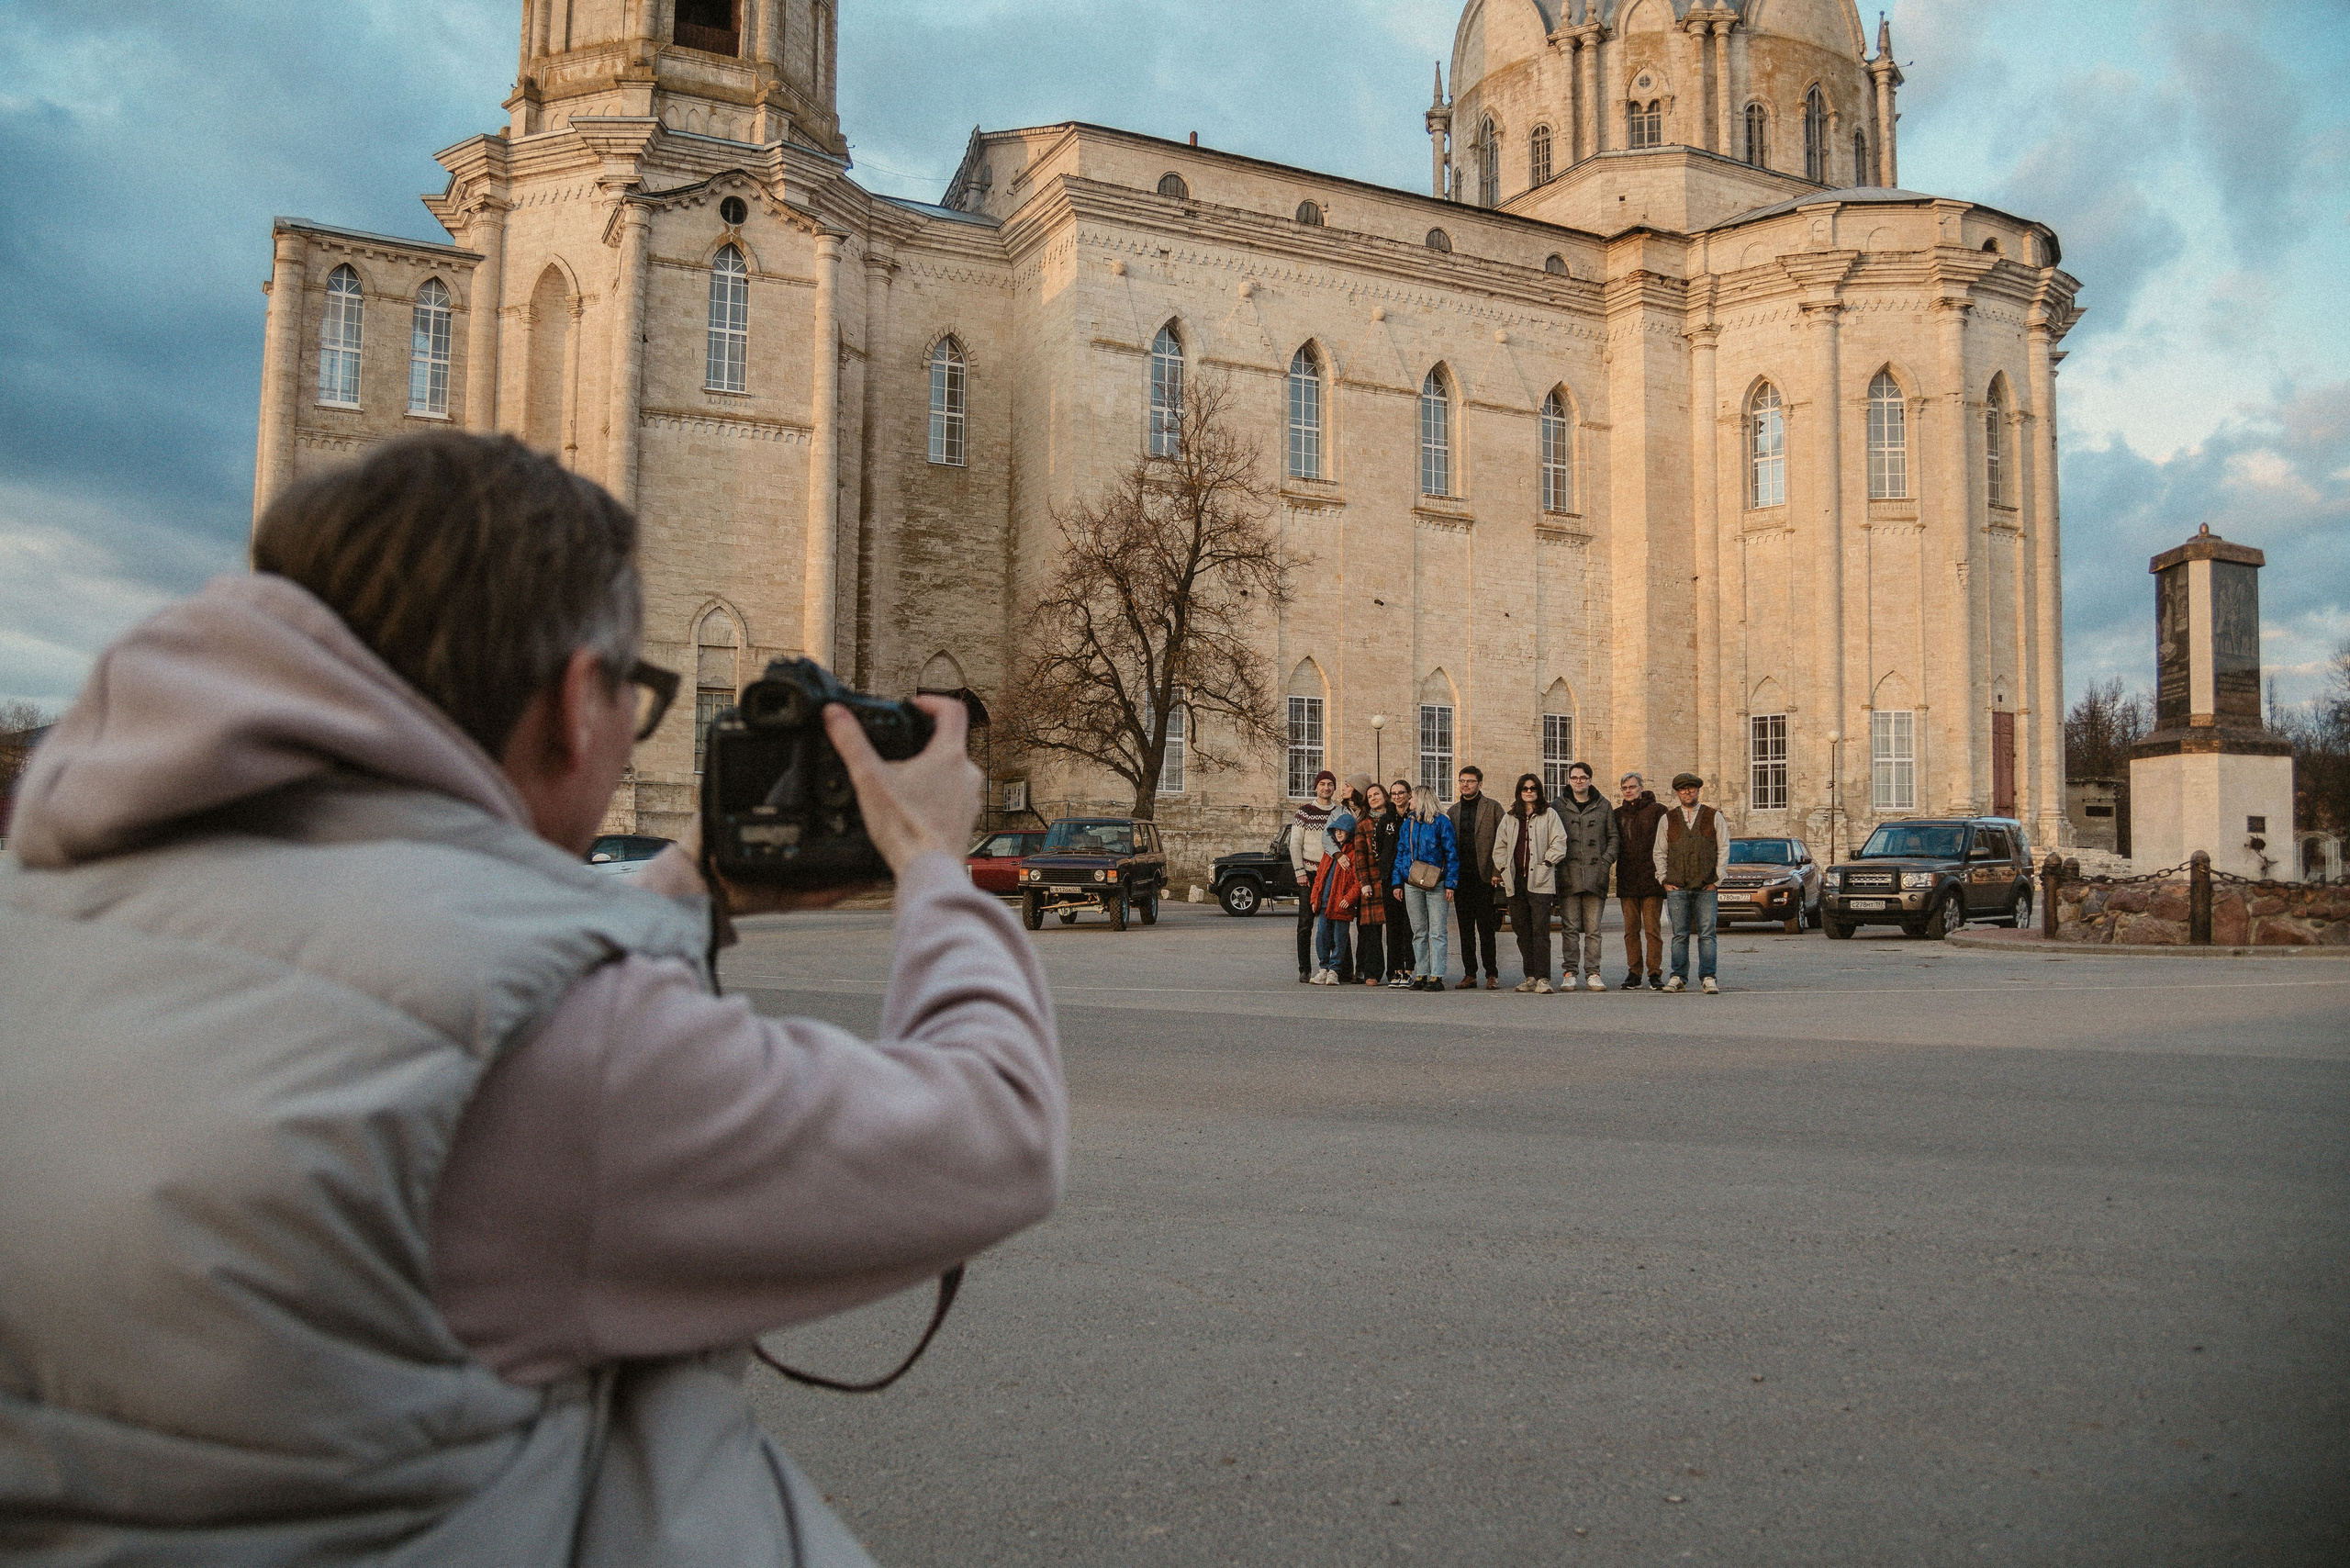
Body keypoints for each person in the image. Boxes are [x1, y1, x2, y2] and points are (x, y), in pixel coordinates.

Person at [0, 432, 1065, 1564]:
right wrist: (930, 864)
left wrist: (691, 882)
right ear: (572, 704)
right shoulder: (556, 1052)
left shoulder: (42, 917)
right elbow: (996, 1129)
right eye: (634, 696)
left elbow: (392, 950)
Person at [1491, 773, 1566, 993]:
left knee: (1540, 931)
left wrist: (1547, 862)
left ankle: (1543, 978)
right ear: (1519, 792)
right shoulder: (1510, 817)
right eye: (1525, 788)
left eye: (1533, 788)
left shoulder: (1549, 814)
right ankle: (1530, 976)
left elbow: (1559, 841)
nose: (1529, 791)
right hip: (1515, 881)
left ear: (1539, 791)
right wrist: (1503, 868)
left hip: (1540, 880)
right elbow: (1500, 846)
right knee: (1522, 930)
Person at [1653, 770, 1723, 994]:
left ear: (1698, 790)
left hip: (1706, 886)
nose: (1687, 792)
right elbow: (1659, 851)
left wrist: (1718, 880)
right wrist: (1663, 879)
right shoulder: (1668, 819)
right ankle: (1678, 977)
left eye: (1691, 788)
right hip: (1677, 887)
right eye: (1682, 789)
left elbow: (1724, 848)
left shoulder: (1714, 816)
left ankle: (1708, 977)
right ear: (1677, 793)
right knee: (1679, 935)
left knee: (1707, 934)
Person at [1554, 761, 1620, 991]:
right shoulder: (1558, 806)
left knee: (1593, 930)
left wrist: (1605, 861)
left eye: (1583, 777)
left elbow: (1613, 837)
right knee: (1570, 928)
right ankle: (1570, 972)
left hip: (1595, 875)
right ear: (1569, 780)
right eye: (1574, 778)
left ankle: (1593, 973)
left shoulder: (1603, 805)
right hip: (1568, 874)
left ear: (1590, 780)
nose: (1578, 781)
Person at [1392, 787, 1459, 991]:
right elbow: (1401, 852)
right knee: (1418, 931)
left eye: (1412, 797)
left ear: (1422, 799)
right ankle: (1421, 973)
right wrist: (1397, 881)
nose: (1409, 800)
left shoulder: (1442, 822)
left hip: (1437, 882)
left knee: (1437, 931)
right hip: (1412, 881)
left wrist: (1451, 883)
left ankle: (1437, 975)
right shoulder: (1409, 823)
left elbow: (1451, 853)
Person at [1448, 766, 1505, 990]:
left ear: (1480, 784)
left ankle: (1492, 973)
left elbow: (1503, 841)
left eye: (1470, 781)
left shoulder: (1493, 808)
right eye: (1462, 781)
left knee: (1486, 929)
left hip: (1485, 877)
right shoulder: (1453, 811)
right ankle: (1470, 973)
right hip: (1461, 878)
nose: (1465, 785)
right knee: (1465, 930)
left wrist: (1497, 871)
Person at [1616, 771, 1668, 991]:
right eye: (1625, 788)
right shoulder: (1617, 814)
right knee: (1630, 930)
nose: (1628, 791)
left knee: (1652, 930)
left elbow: (1666, 842)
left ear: (1641, 788)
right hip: (1627, 878)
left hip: (1651, 878)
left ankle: (1654, 972)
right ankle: (1634, 972)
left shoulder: (1658, 811)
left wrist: (1664, 874)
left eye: (1632, 787)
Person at [1290, 768, 1337, 983]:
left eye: (1330, 784)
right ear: (1316, 787)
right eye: (1322, 784)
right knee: (1305, 923)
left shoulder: (1339, 812)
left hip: (1332, 872)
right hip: (1309, 873)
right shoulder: (1305, 812)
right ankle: (1304, 968)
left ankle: (1336, 967)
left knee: (1334, 921)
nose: (1326, 788)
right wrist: (1300, 871)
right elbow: (1295, 844)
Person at [1307, 812, 1361, 984]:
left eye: (1342, 830)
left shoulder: (1354, 853)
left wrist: (1349, 898)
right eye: (1336, 830)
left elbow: (1359, 880)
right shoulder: (1330, 852)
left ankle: (1334, 971)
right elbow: (1319, 876)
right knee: (1322, 936)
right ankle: (1323, 968)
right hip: (1325, 902)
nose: (1338, 833)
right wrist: (1314, 898)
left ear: (1350, 832)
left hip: (1341, 904)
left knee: (1340, 939)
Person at [1352, 782, 1393, 985]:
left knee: (1395, 928)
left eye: (1376, 794)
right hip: (1372, 880)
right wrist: (1364, 883)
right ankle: (1373, 972)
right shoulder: (1363, 824)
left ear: (1385, 796)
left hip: (1394, 879)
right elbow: (1359, 858)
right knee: (1371, 931)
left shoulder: (1395, 819)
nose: (1374, 798)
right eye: (1369, 796)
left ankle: (1396, 971)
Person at [1382, 779, 1417, 987]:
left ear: (1409, 794)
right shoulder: (1386, 819)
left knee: (1409, 926)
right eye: (1393, 793)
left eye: (1401, 793)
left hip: (1411, 878)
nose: (1397, 797)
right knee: (1393, 927)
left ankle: (1409, 969)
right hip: (1390, 879)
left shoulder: (1415, 817)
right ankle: (1394, 969)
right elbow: (1379, 847)